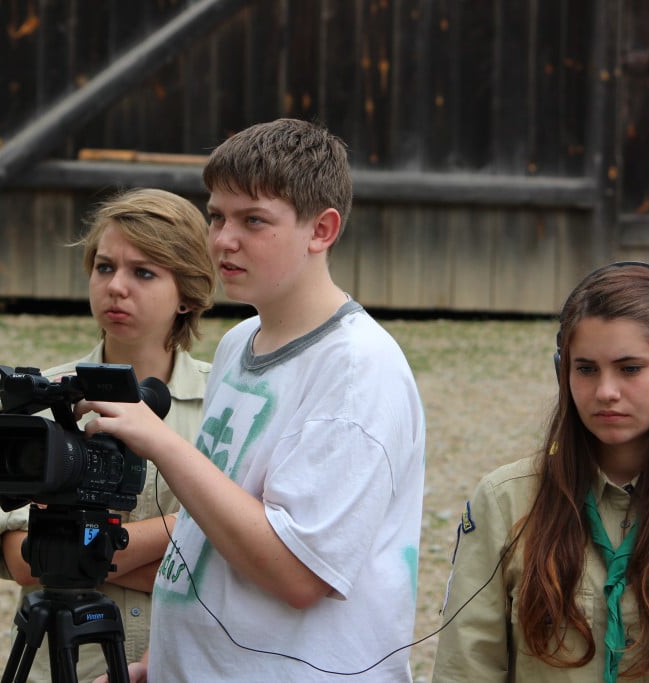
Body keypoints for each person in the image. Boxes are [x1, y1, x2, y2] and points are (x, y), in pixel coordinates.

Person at [82, 118, 427, 682]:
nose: (222, 240)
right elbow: (216, 527)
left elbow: (298, 575)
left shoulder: (358, 371)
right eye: (216, 215)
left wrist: (162, 443)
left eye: (253, 220)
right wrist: (164, 662)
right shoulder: (241, 340)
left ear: (322, 230)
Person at [0, 187, 217, 681]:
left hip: (176, 665)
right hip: (67, 665)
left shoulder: (225, 403)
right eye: (104, 267)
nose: (116, 287)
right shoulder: (42, 394)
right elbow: (22, 559)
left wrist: (75, 557)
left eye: (144, 272)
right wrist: (189, 529)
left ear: (188, 294)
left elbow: (227, 570)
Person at [433, 262, 649, 682]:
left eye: (630, 369)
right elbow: (467, 668)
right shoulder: (506, 500)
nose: (606, 391)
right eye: (586, 368)